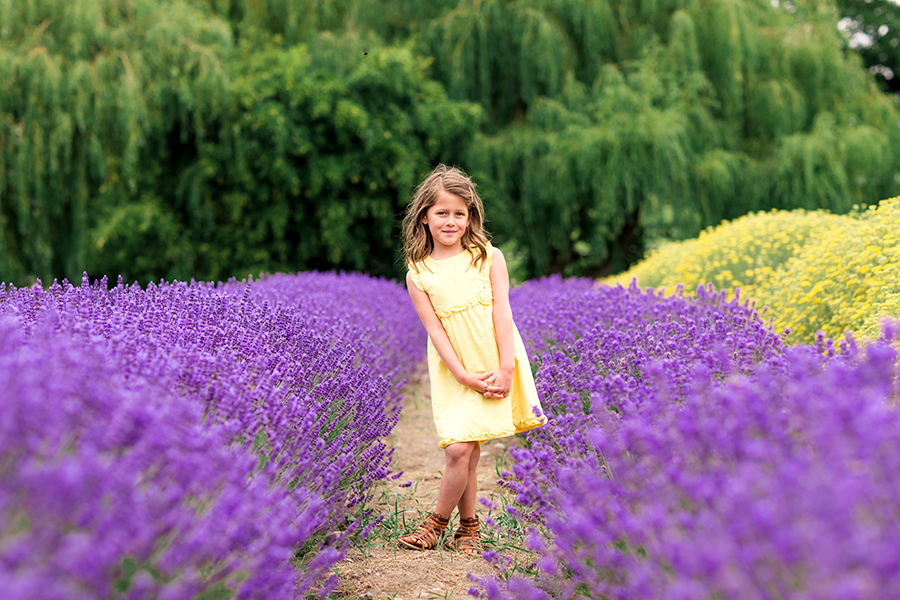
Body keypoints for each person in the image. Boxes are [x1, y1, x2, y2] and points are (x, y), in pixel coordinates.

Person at [397, 164, 547, 556]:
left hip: (496, 359)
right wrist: (462, 374)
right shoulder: (419, 274)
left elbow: (503, 314)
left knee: (470, 449)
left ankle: (466, 529)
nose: (450, 221)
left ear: (470, 217)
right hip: (455, 369)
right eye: (441, 213)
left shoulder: (488, 257)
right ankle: (441, 525)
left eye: (458, 213)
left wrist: (506, 368)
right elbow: (435, 332)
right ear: (424, 217)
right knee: (459, 449)